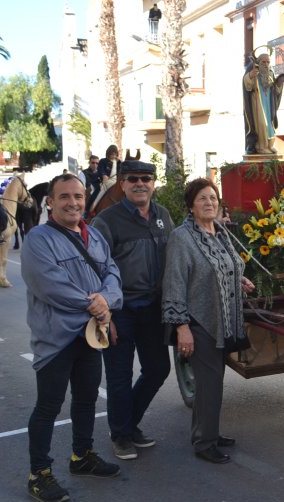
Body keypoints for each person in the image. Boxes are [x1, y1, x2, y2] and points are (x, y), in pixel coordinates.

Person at [20, 174, 123, 502]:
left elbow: (112, 272)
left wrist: (106, 299)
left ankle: (82, 456)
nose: (73, 203)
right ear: (50, 202)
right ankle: (39, 474)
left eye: (78, 196)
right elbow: (49, 285)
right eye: (64, 196)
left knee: (86, 398)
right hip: (57, 339)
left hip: (90, 335)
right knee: (48, 406)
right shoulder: (38, 239)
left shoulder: (93, 235)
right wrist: (94, 305)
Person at [162, 179, 254, 464]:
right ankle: (205, 443)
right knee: (210, 383)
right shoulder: (182, 237)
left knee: (211, 383)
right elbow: (174, 283)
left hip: (222, 320)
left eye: (213, 198)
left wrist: (238, 279)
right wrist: (182, 328)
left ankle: (207, 432)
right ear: (191, 206)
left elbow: (223, 266)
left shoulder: (219, 232)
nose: (209, 203)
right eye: (202, 198)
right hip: (199, 322)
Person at [90, 160, 175, 461]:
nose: (140, 184)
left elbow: (176, 258)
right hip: (119, 310)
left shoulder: (162, 215)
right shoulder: (107, 221)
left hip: (152, 308)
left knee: (158, 369)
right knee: (119, 377)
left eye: (146, 178)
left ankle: (128, 423)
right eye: (133, 179)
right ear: (123, 184)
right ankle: (121, 436)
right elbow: (95, 271)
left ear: (153, 183)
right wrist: (105, 316)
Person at [243, 54, 284, 155]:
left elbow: (275, 91)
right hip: (258, 104)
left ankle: (270, 145)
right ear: (258, 62)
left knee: (270, 125)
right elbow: (247, 86)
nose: (266, 64)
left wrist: (279, 83)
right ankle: (261, 147)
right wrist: (250, 75)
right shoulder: (254, 73)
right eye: (263, 62)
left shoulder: (270, 74)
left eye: (268, 62)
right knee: (262, 125)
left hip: (269, 104)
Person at [87, 145, 120, 214]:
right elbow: (100, 169)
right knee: (96, 193)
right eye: (112, 154)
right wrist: (103, 175)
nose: (113, 156)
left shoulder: (119, 162)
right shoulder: (103, 161)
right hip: (104, 182)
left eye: (115, 154)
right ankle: (89, 209)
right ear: (108, 153)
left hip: (115, 182)